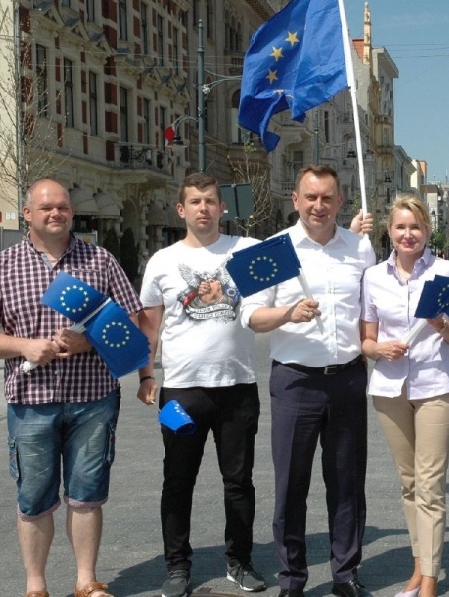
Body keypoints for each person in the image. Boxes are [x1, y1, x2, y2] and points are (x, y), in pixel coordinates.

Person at [0, 179, 142, 597]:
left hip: (93, 397)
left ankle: (86, 581)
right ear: (28, 214)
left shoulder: (100, 260)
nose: (56, 213)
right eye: (46, 207)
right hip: (31, 400)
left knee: (87, 493)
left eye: (63, 207)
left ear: (72, 211)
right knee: (33, 495)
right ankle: (35, 586)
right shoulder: (1, 266)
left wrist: (88, 341)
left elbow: (131, 321)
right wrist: (24, 346)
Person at [241, 164, 376, 597]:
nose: (319, 206)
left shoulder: (360, 249)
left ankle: (345, 573)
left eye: (327, 198)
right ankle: (292, 579)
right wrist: (288, 313)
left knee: (347, 483)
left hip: (348, 380)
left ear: (340, 202)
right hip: (295, 381)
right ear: (295, 200)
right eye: (311, 197)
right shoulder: (274, 249)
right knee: (291, 484)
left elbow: (372, 310)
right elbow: (250, 315)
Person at [137, 173, 266, 597]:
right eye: (195, 202)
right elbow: (149, 328)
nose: (203, 208)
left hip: (237, 390)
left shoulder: (244, 250)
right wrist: (146, 375)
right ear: (182, 210)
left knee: (239, 482)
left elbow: (290, 257)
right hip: (180, 394)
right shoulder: (162, 262)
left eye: (210, 201)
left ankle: (240, 562)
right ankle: (177, 567)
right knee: (177, 480)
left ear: (222, 207)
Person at [360, 194, 449, 597]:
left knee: (430, 483)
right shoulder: (373, 277)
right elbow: (366, 341)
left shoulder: (448, 272)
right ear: (389, 231)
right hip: (390, 389)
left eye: (416, 227)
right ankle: (419, 566)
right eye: (401, 227)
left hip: (435, 385)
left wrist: (440, 323)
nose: (409, 234)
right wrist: (379, 349)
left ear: (427, 230)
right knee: (409, 484)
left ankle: (430, 582)